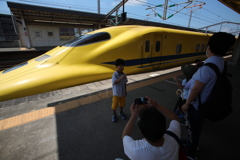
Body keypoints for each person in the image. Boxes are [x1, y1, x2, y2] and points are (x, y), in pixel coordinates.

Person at [181, 32, 236, 159]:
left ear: (209, 48)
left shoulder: (207, 68)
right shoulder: (221, 62)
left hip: (198, 106)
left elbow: (195, 90)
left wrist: (186, 104)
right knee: (197, 126)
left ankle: (191, 150)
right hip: (208, 101)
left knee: (193, 128)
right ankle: (193, 144)